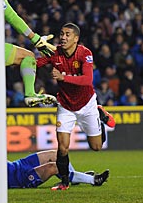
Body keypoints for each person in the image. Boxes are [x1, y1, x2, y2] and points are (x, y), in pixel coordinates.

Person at [36, 23, 115, 190]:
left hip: (87, 104)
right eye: (61, 34)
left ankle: (100, 116)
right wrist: (32, 50)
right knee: (62, 146)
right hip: (65, 105)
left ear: (76, 39)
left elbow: (87, 80)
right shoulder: (55, 52)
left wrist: (63, 78)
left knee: (96, 147)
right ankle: (64, 182)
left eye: (67, 34)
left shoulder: (85, 54)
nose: (63, 37)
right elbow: (36, 63)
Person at [0, 129, 110, 189]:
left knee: (56, 154)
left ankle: (74, 178)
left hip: (19, 165)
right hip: (16, 179)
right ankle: (93, 180)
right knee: (54, 166)